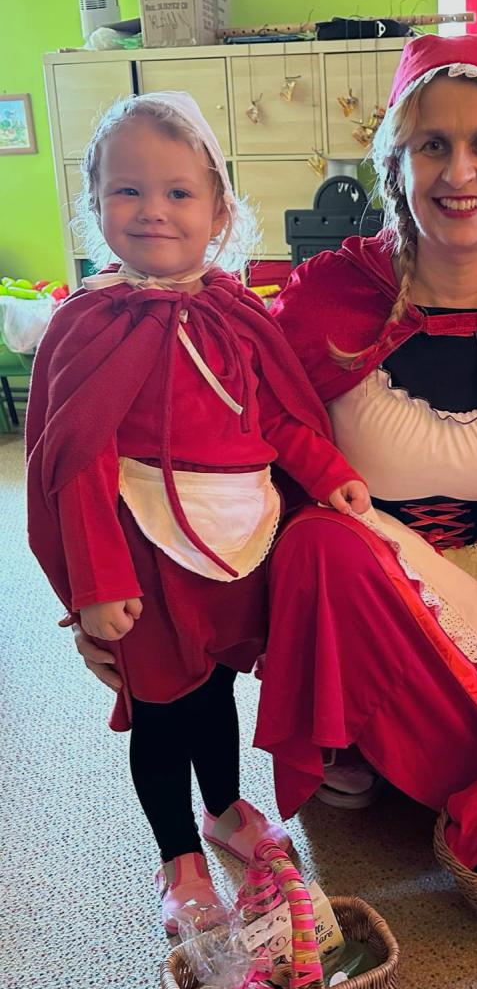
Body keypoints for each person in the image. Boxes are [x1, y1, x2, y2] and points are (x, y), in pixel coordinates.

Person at [25, 92, 367, 932]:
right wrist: (96, 585)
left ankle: (223, 809)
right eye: (127, 190)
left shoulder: (239, 313)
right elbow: (77, 462)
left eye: (178, 192)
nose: (153, 210)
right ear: (95, 203)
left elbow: (276, 415)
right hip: (141, 557)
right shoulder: (87, 324)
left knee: (213, 689)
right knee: (159, 710)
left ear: (218, 211)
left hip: (235, 543)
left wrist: (328, 473)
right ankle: (178, 857)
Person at [253, 33, 477, 816]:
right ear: (396, 167)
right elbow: (238, 436)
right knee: (322, 540)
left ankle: (441, 735)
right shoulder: (327, 297)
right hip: (354, 607)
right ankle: (344, 727)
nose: (459, 173)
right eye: (432, 145)